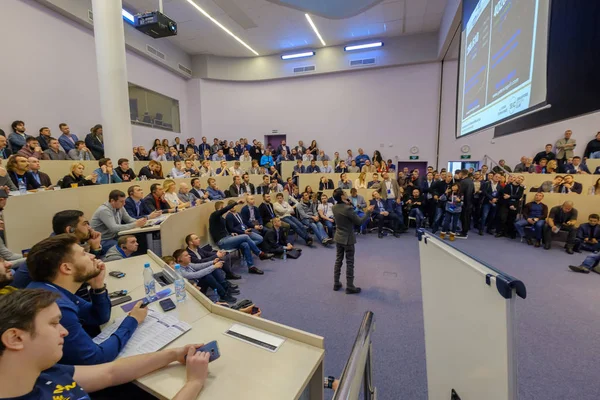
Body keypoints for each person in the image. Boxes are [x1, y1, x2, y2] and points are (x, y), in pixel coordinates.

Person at [0, 289, 211, 399]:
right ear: (15, 338)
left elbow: (109, 373)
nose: (64, 331)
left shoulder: (42, 372)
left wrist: (174, 354)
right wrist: (194, 383)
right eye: (54, 323)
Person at [25, 234, 145, 365]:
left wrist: (98, 287)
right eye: (84, 254)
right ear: (66, 268)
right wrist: (132, 320)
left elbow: (98, 317)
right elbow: (96, 358)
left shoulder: (50, 289)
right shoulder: (55, 307)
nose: (92, 256)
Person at [209, 199, 272, 275]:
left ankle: (251, 267)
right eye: (223, 207)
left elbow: (224, 230)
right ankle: (260, 254)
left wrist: (231, 233)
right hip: (222, 242)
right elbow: (223, 211)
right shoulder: (213, 216)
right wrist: (236, 203)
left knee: (245, 244)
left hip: (227, 238)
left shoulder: (221, 218)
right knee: (245, 236)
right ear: (219, 209)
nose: (225, 208)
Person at [331, 188, 373, 294]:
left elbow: (349, 211)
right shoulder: (347, 209)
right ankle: (350, 287)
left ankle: (336, 283)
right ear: (342, 197)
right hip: (348, 239)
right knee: (350, 262)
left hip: (338, 237)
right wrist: (368, 212)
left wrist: (349, 204)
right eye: (345, 194)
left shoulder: (334, 207)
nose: (347, 194)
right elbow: (359, 222)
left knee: (338, 260)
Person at [172, 249, 237, 303]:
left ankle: (225, 289)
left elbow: (199, 266)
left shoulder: (187, 264)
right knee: (207, 276)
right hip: (195, 288)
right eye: (186, 255)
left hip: (198, 283)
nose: (189, 256)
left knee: (212, 270)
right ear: (179, 259)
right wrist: (213, 266)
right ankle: (223, 295)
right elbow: (196, 275)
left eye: (188, 254)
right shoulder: (180, 270)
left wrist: (212, 262)